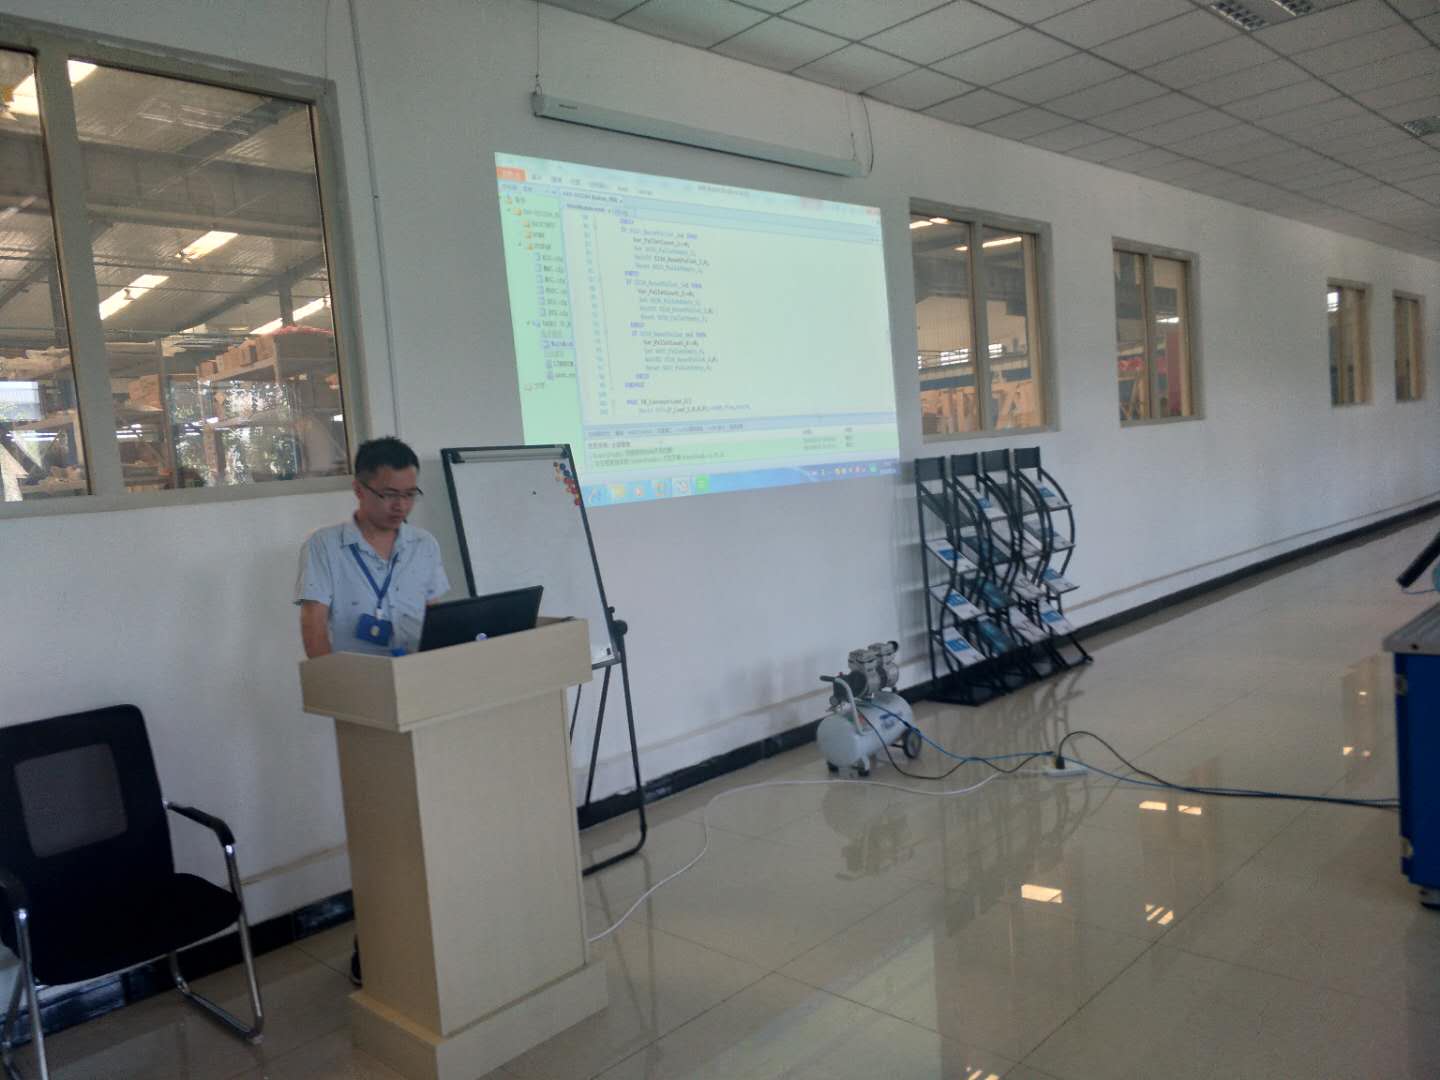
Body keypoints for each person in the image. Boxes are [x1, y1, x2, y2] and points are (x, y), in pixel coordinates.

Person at [295, 436, 449, 984]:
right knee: (380, 830)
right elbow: (314, 623)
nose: (400, 506)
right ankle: (378, 943)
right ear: (358, 489)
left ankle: (430, 930)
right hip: (366, 705)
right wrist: (339, 690)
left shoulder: (424, 545)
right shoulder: (325, 547)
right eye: (388, 494)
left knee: (427, 822)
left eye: (410, 494)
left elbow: (436, 617)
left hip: (421, 696)